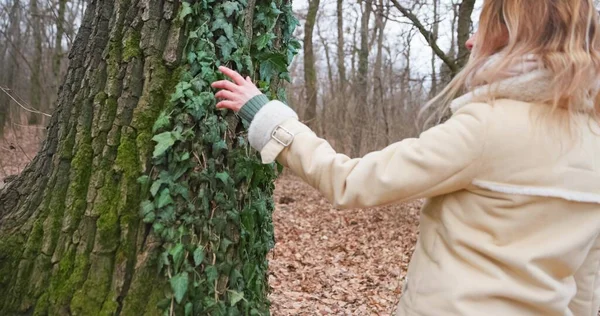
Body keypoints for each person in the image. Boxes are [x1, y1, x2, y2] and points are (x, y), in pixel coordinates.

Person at [211, 0, 600, 315]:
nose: (470, 42)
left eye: (481, 28)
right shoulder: (593, 142)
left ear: (513, 36)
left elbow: (351, 183)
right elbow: (586, 287)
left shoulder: (487, 128)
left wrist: (265, 116)